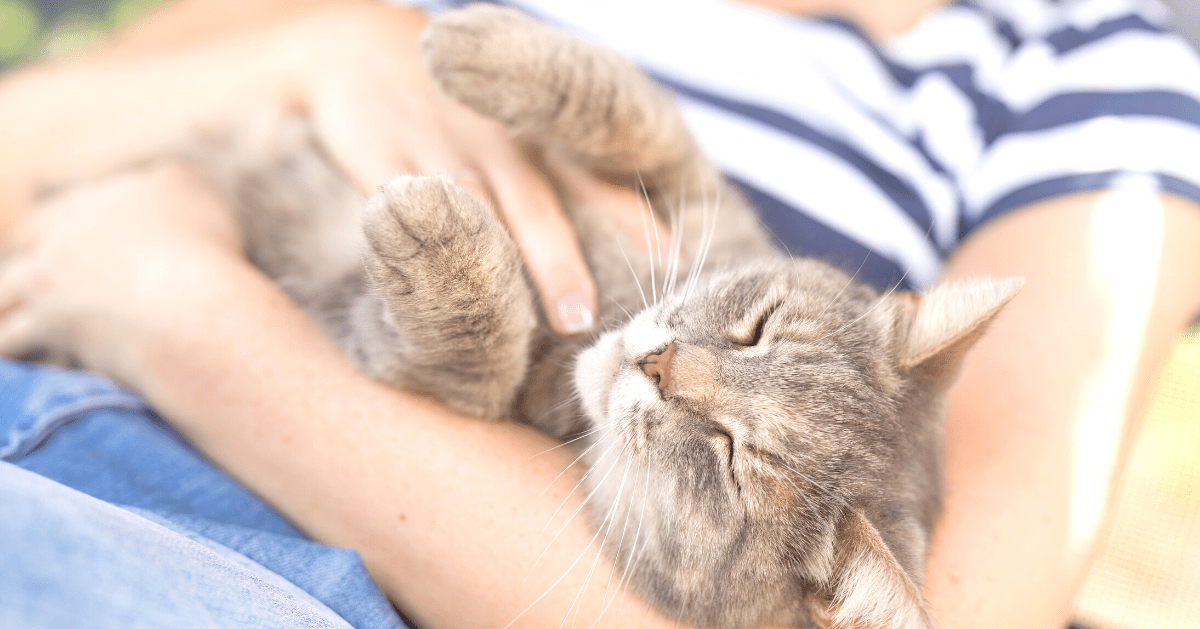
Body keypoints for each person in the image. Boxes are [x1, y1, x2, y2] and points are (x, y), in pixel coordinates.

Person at [1, 0, 1199, 628]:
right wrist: (314, 44)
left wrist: (183, 317)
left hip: (234, 550)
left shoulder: (1084, 84)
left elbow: (945, 621)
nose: (684, 368)